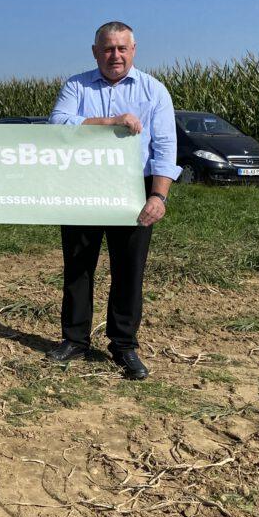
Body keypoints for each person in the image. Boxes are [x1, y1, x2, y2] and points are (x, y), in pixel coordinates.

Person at [46, 21, 180, 379]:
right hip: (83, 185)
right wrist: (111, 122)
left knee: (129, 269)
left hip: (135, 189)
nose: (115, 55)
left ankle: (123, 345)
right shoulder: (77, 85)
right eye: (107, 49)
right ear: (95, 52)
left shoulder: (154, 91)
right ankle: (74, 339)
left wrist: (159, 196)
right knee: (78, 266)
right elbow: (58, 125)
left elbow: (165, 147)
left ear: (133, 50)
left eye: (122, 48)